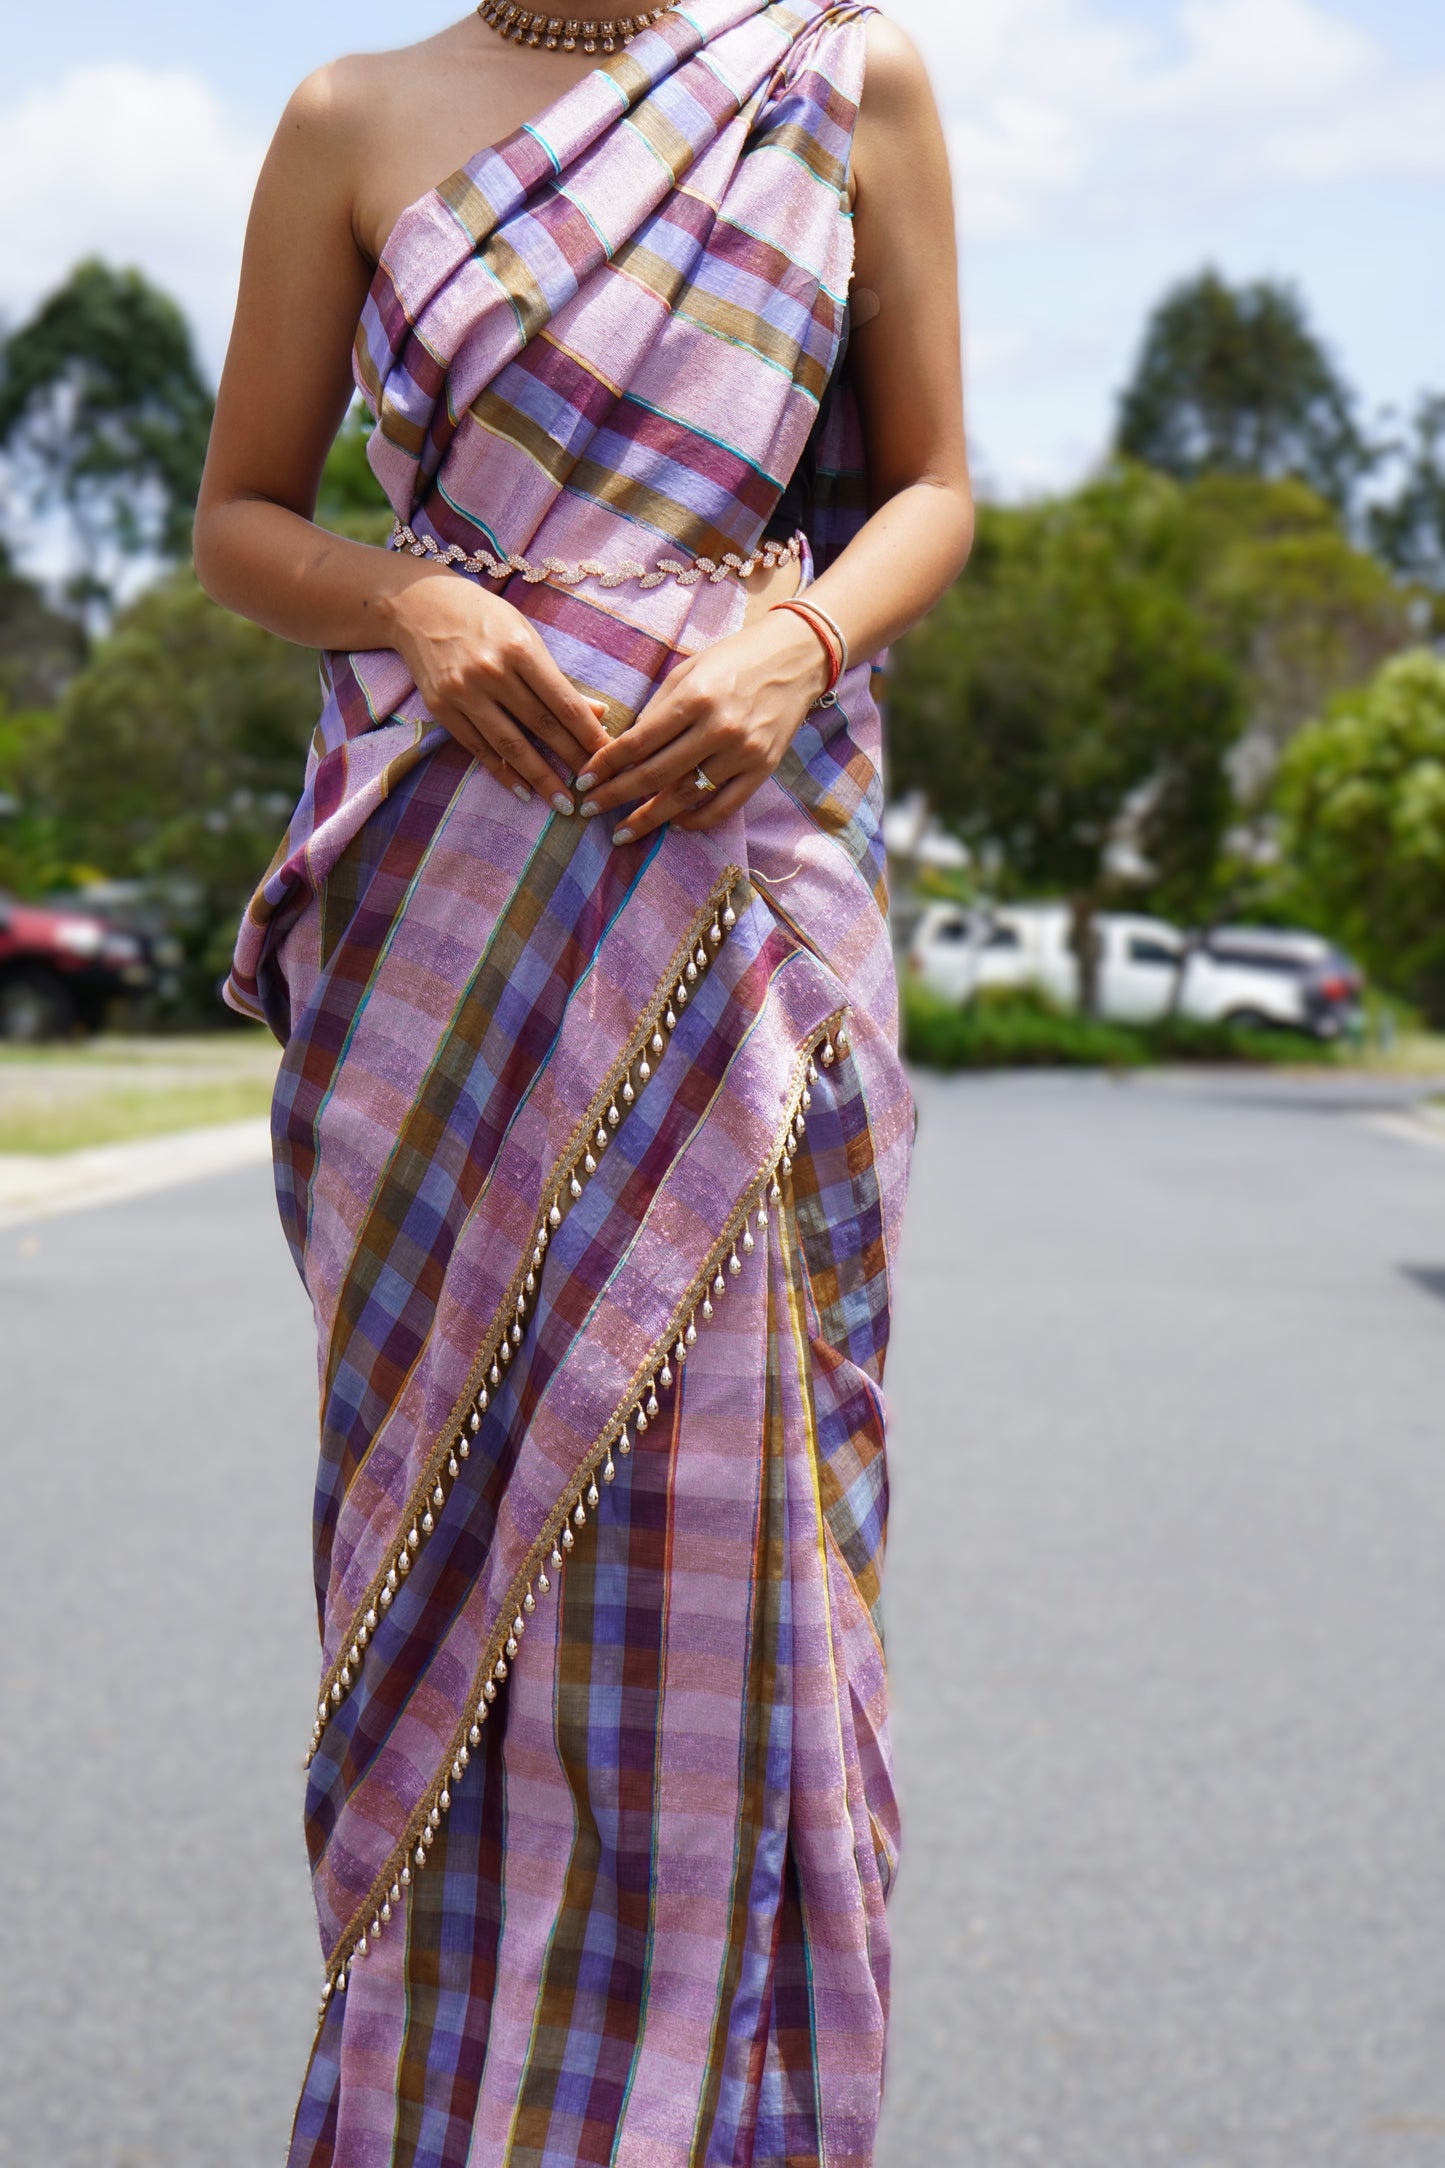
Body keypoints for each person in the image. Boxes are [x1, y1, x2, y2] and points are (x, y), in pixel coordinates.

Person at [194, 2, 971, 2159]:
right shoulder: (351, 117)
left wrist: (803, 639)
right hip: (449, 918)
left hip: (752, 891)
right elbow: (243, 518)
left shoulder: (842, 77)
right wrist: (415, 602)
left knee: (749, 1537)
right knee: (442, 1544)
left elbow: (933, 485)